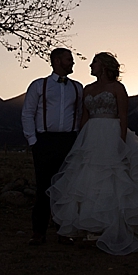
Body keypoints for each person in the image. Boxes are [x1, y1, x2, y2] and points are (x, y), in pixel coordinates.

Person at [47, 52, 138, 255]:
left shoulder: (117, 88)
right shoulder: (87, 89)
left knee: (117, 179)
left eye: (94, 62)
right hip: (91, 137)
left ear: (104, 66)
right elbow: (84, 117)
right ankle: (93, 228)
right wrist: (80, 141)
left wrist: (121, 142)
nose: (90, 66)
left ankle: (118, 229)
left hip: (111, 133)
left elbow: (123, 116)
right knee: (90, 179)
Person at [21, 47, 83, 245]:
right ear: (57, 61)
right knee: (43, 188)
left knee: (66, 188)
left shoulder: (78, 88)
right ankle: (38, 233)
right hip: (45, 141)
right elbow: (27, 113)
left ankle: (64, 231)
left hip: (69, 142)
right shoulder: (39, 85)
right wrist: (34, 142)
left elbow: (81, 115)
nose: (72, 62)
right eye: (69, 59)